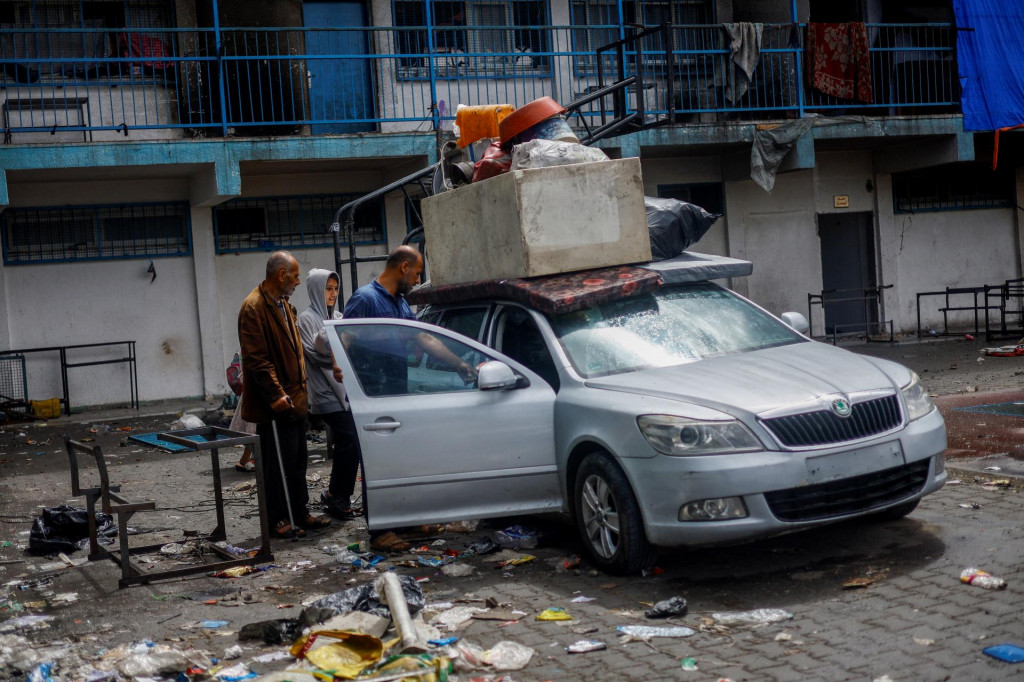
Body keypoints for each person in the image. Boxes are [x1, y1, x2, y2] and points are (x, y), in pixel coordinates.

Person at [342, 245, 475, 552]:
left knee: (399, 462)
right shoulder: (365, 299)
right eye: (416, 273)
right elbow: (344, 342)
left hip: (394, 394)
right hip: (372, 399)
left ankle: (405, 520)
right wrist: (340, 370)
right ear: (403, 267)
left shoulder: (399, 303)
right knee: (378, 466)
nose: (417, 280)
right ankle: (380, 531)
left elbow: (422, 338)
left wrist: (460, 364)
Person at [238, 251, 331, 538]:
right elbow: (257, 360)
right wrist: (276, 395)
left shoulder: (284, 305)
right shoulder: (254, 308)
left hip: (295, 400)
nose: (298, 282)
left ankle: (299, 512)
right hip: (275, 405)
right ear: (281, 275)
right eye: (295, 276)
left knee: (296, 461)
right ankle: (278, 518)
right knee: (276, 465)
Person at [297, 268, 363, 520]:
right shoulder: (306, 318)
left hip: (344, 390)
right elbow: (313, 353)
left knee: (349, 440)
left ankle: (337, 494)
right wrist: (333, 346)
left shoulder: (337, 315)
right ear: (316, 289)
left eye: (335, 288)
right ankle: (337, 496)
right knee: (349, 438)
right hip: (323, 391)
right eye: (328, 288)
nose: (333, 293)